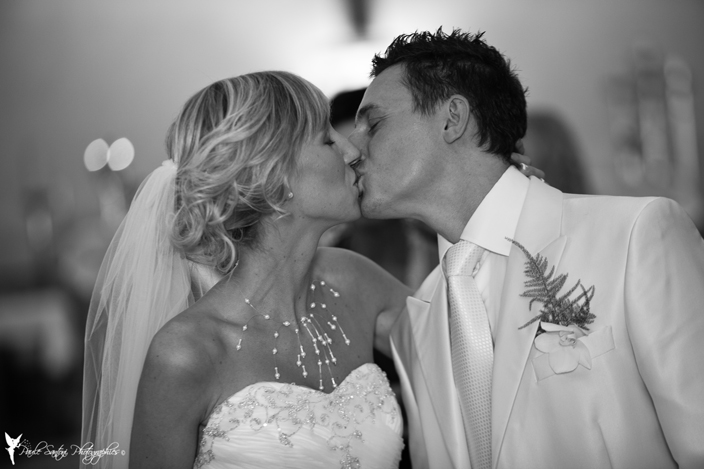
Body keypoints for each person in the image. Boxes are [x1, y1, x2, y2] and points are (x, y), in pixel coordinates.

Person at [348, 29, 704, 469]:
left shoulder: (633, 235)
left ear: (452, 119)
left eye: (373, 124)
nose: (350, 150)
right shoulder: (419, 317)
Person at [82, 71, 412, 469]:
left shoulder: (354, 280)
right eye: (327, 140)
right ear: (272, 175)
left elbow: (460, 340)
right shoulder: (186, 353)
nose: (352, 150)